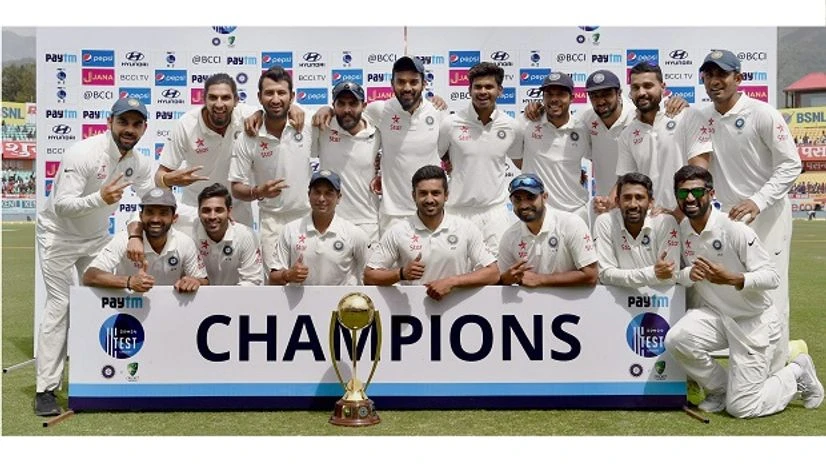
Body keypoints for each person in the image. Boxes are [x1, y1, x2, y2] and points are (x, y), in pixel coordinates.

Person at [665, 165, 822, 418]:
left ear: (711, 193)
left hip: (753, 321)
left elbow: (772, 276)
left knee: (742, 408)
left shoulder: (733, 228)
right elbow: (679, 274)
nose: (690, 199)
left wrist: (734, 279)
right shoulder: (683, 231)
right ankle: (720, 389)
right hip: (716, 316)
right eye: (683, 194)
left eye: (697, 192)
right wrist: (688, 275)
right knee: (677, 340)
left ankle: (796, 371)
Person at [33, 97, 156, 416]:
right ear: (109, 121)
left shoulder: (137, 161)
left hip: (94, 238)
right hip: (58, 236)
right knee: (61, 305)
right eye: (123, 122)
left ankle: (101, 377)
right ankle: (46, 389)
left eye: (136, 123)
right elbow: (62, 204)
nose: (129, 129)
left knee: (108, 297)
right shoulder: (83, 153)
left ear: (144, 128)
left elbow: (149, 195)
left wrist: (137, 230)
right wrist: (99, 198)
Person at [690, 49, 802, 365]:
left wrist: (758, 200)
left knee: (770, 296)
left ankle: (782, 373)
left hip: (769, 219)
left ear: (738, 78)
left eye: (722, 74)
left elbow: (791, 165)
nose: (715, 81)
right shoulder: (702, 118)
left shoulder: (763, 113)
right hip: (731, 222)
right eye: (709, 75)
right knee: (736, 295)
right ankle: (749, 367)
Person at [313, 56, 446, 234]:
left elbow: (450, 154)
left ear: (424, 84)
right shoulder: (380, 110)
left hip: (430, 210)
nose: (407, 87)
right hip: (392, 215)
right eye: (401, 82)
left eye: (413, 82)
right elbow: (350, 115)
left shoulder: (438, 113)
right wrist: (326, 109)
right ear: (392, 83)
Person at [364, 165, 499, 300]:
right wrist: (401, 273)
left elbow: (493, 273)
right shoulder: (398, 231)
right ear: (413, 195)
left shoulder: (465, 228)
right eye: (423, 193)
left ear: (446, 195)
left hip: (457, 312)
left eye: (435, 193)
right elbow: (369, 276)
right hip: (413, 314)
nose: (429, 200)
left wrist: (452, 282)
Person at [229, 66, 313, 275]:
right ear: (259, 97)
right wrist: (258, 192)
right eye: (269, 93)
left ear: (292, 96)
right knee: (275, 284)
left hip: (307, 219)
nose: (275, 99)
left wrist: (325, 110)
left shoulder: (307, 123)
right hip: (271, 222)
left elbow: (335, 115)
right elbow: (236, 187)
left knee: (310, 282)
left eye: (281, 93)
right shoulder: (248, 136)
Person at [153, 73, 263, 228]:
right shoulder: (186, 125)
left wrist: (281, 110)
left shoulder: (247, 115)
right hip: (195, 211)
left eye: (225, 98)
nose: (219, 104)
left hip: (237, 212)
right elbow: (159, 176)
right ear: (203, 98)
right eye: (213, 97)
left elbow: (278, 107)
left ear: (237, 100)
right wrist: (168, 180)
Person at [437, 61, 521, 253]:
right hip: (457, 211)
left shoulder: (511, 126)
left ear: (500, 90)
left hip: (495, 213)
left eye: (489, 87)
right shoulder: (450, 124)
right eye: (478, 87)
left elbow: (523, 162)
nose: (483, 91)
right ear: (469, 90)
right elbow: (439, 156)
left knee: (497, 273)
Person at [617, 62, 711, 214]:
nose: (641, 92)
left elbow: (699, 173)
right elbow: (628, 183)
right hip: (651, 221)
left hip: (689, 216)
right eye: (635, 87)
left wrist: (677, 214)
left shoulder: (688, 116)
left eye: (648, 86)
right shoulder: (627, 134)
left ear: (662, 87)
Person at [83, 188, 208, 292]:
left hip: (170, 310)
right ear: (141, 215)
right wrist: (129, 281)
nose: (155, 219)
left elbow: (204, 280)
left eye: (163, 213)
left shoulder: (184, 242)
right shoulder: (124, 239)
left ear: (174, 218)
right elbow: (90, 275)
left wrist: (195, 281)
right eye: (150, 212)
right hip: (129, 310)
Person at [514, 72, 591, 225]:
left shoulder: (582, 129)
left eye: (561, 94)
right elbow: (516, 157)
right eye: (549, 94)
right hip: (538, 213)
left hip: (574, 211)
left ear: (572, 98)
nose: (554, 99)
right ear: (543, 98)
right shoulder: (526, 123)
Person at [498, 173, 598, 287]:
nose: (524, 205)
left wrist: (541, 280)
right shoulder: (509, 236)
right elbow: (503, 280)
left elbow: (591, 275)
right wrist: (506, 279)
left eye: (531, 197)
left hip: (572, 302)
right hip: (530, 303)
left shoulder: (571, 223)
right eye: (517, 199)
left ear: (544, 197)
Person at [269, 170, 368, 285]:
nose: (321, 199)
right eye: (317, 192)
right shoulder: (290, 230)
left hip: (340, 302)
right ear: (308, 195)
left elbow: (368, 276)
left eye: (328, 193)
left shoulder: (354, 234)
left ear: (339, 197)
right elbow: (272, 279)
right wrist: (287, 275)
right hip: (299, 303)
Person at [311, 81, 381, 243]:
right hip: (331, 220)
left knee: (370, 270)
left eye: (353, 104)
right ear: (333, 106)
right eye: (341, 104)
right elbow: (292, 112)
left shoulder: (377, 132)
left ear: (364, 106)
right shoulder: (323, 127)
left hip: (368, 222)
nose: (347, 110)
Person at [593, 172, 680, 287]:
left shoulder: (665, 222)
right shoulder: (605, 222)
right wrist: (652, 274)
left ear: (650, 202)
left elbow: (670, 277)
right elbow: (604, 274)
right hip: (616, 300)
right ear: (618, 201)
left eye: (639, 198)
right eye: (627, 198)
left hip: (658, 301)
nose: (633, 204)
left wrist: (622, 277)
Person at [191, 183, 264, 286]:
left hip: (237, 299)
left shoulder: (246, 236)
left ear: (229, 211)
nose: (212, 216)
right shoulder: (190, 235)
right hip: (199, 298)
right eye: (206, 210)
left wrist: (228, 299)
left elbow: (252, 281)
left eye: (218, 210)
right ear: (198, 212)